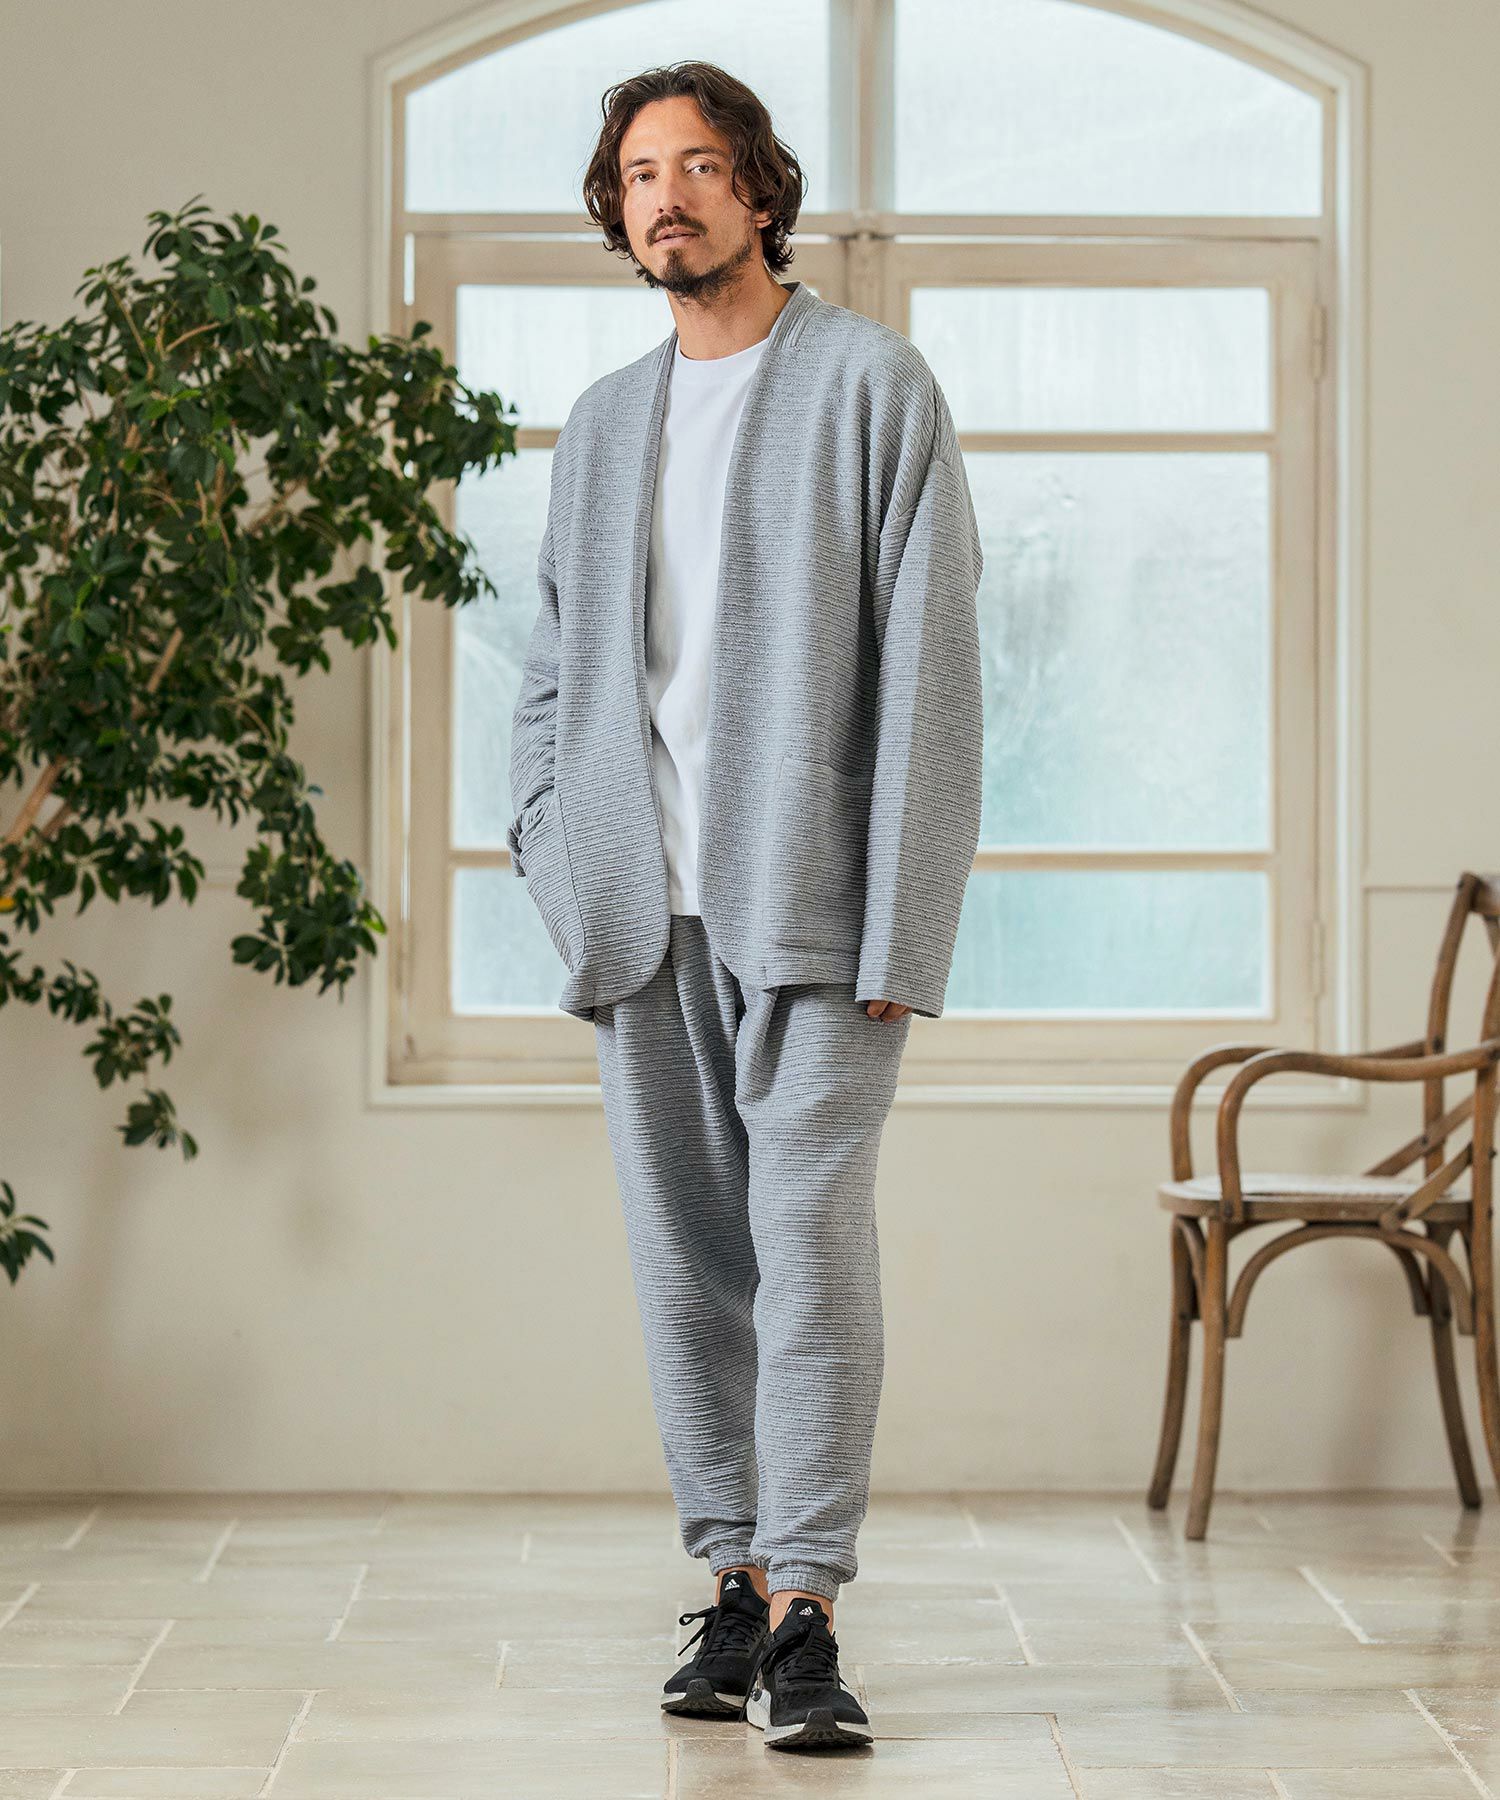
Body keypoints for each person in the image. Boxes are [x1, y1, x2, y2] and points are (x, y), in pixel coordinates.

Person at [506, 60, 984, 1752]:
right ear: (617, 210)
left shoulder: (871, 387)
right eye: (642, 174)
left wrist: (905, 926)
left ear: (761, 192)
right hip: (645, 921)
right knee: (690, 1268)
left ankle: (808, 1613)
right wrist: (560, 860)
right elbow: (553, 676)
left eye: (701, 166)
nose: (670, 197)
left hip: (821, 915)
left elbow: (934, 680)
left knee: (809, 1253)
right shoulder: (603, 425)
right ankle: (732, 1575)